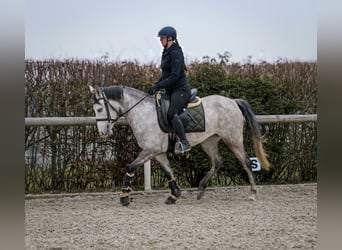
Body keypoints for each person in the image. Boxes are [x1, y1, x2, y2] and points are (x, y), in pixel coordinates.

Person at [147, 26, 191, 154]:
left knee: (171, 113)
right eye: (160, 38)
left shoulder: (176, 52)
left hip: (181, 90)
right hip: (170, 90)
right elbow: (166, 73)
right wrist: (156, 85)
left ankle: (184, 142)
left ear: (170, 39)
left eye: (162, 38)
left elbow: (175, 76)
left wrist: (160, 86)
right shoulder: (166, 52)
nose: (160, 40)